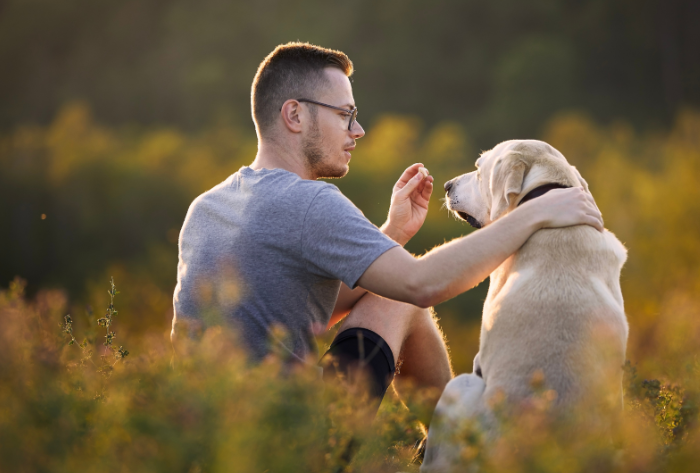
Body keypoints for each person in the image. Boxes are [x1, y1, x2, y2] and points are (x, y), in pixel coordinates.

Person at [171, 42, 603, 417]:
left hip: (206, 439)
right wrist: (534, 212)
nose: (357, 130)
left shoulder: (206, 207)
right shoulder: (307, 202)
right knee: (403, 300)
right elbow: (422, 285)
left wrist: (391, 234)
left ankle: (446, 447)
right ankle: (459, 447)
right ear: (295, 115)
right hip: (291, 445)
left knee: (390, 294)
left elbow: (307, 306)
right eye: (345, 114)